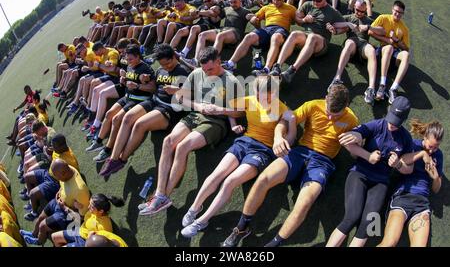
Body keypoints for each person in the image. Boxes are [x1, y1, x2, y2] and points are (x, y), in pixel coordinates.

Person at [222, 84, 359, 247]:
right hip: (299, 152)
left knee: (305, 202)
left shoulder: (351, 119)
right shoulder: (313, 105)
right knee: (263, 179)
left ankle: (273, 244)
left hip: (322, 163)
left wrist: (356, 139)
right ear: (326, 98)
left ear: (346, 106)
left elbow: (355, 151)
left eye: (335, 115)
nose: (330, 117)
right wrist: (278, 136)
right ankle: (241, 228)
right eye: (328, 112)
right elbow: (286, 119)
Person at [138, 47, 244, 216]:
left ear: (219, 61)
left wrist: (219, 110)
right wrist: (198, 105)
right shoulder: (197, 74)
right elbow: (181, 97)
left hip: (216, 122)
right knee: (168, 142)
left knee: (182, 147)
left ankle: (164, 197)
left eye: (211, 69)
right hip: (195, 114)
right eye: (204, 69)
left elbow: (239, 112)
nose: (207, 73)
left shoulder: (231, 81)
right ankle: (158, 195)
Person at [181, 76, 290, 238]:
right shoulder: (249, 100)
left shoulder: (283, 110)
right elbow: (231, 110)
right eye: (259, 96)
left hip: (262, 151)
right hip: (243, 142)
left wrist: (280, 139)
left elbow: (284, 132)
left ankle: (202, 221)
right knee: (216, 175)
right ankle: (194, 209)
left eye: (267, 96)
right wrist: (233, 125)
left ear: (274, 92)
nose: (263, 100)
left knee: (230, 181)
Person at [326, 96, 414, 247]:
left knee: (370, 224)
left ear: (404, 119)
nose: (392, 124)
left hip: (381, 182)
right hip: (360, 173)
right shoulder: (377, 125)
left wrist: (398, 165)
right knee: (352, 216)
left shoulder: (406, 138)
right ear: (388, 110)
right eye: (391, 119)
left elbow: (409, 169)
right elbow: (348, 141)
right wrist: (368, 156)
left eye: (396, 122)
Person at [92, 45, 189, 174]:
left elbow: (193, 95)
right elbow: (154, 88)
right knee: (126, 118)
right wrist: (145, 81)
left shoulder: (184, 71)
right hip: (153, 100)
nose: (166, 67)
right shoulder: (160, 70)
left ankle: (121, 160)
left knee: (139, 125)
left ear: (173, 57)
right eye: (162, 65)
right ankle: (113, 159)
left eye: (168, 64)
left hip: (169, 108)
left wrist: (177, 91)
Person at [87, 44, 156, 168]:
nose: (128, 62)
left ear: (138, 57)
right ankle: (98, 142)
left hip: (138, 100)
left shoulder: (146, 69)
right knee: (108, 114)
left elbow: (152, 88)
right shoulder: (130, 66)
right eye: (127, 59)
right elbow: (126, 80)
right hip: (127, 97)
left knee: (116, 119)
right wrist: (123, 80)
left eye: (130, 59)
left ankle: (107, 150)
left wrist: (138, 86)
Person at [378, 120, 444, 247]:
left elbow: (436, 189)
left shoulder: (438, 155)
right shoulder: (413, 144)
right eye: (431, 146)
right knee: (389, 244)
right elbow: (401, 161)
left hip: (422, 205)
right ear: (424, 137)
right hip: (403, 197)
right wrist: (422, 154)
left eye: (436, 147)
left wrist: (435, 178)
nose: (432, 151)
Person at [272, 0, 345, 83]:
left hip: (321, 43)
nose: (315, 3)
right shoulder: (308, 5)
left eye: (318, 1)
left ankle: (291, 71)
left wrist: (335, 31)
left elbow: (344, 27)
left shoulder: (332, 11)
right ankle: (277, 66)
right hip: (306, 36)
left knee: (312, 37)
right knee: (294, 34)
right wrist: (304, 20)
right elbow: (297, 18)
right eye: (313, 0)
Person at [222, 0, 297, 75]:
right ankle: (230, 63)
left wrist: (304, 19)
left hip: (281, 29)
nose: (276, 2)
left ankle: (267, 69)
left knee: (275, 37)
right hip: (267, 29)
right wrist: (254, 19)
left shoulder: (291, 8)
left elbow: (298, 21)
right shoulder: (266, 7)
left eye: (279, 0)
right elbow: (256, 17)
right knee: (248, 37)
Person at [20, 160, 90, 246]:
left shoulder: (80, 191)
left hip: (66, 214)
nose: (56, 179)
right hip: (58, 201)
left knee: (42, 226)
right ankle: (34, 234)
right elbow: (63, 185)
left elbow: (82, 217)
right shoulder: (68, 169)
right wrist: (59, 192)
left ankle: (39, 241)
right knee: (41, 217)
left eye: (57, 176)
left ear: (64, 173)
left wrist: (64, 207)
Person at [328, 0, 385, 105]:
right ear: (354, 7)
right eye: (358, 10)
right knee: (349, 43)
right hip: (352, 43)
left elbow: (382, 31)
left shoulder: (368, 19)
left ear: (366, 11)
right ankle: (337, 78)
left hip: (363, 45)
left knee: (372, 50)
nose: (359, 13)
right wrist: (348, 24)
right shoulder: (350, 17)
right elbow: (334, 23)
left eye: (362, 12)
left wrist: (369, 27)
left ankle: (371, 88)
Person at [182, 0, 251, 69]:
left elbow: (253, 20)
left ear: (240, 0)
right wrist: (202, 12)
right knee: (202, 35)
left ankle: (210, 61)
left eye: (235, 2)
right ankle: (196, 61)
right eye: (231, 2)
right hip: (223, 30)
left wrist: (252, 19)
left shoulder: (246, 11)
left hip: (235, 32)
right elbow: (215, 18)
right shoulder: (226, 9)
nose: (232, 4)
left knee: (220, 36)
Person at [368, 0, 410, 104]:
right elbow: (370, 31)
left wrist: (396, 40)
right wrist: (387, 40)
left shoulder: (404, 28)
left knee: (406, 55)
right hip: (382, 52)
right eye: (396, 11)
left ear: (403, 14)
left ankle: (393, 88)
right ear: (392, 9)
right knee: (389, 48)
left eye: (400, 12)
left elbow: (406, 48)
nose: (397, 14)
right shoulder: (383, 18)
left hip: (394, 56)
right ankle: (382, 85)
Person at [52, 194, 124, 247]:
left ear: (101, 211)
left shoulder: (104, 227)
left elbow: (97, 243)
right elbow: (82, 219)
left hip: (84, 242)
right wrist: (70, 207)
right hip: (80, 232)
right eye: (89, 203)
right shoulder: (92, 212)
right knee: (54, 237)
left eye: (92, 206)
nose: (88, 207)